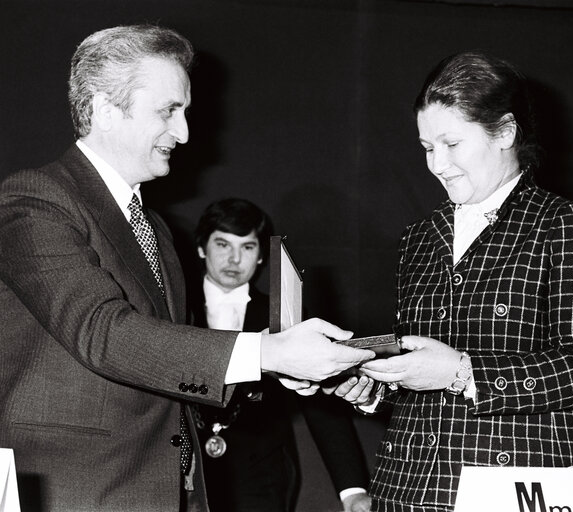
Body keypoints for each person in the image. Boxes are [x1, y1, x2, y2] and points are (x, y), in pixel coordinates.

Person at [0, 25, 373, 512]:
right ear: (104, 109)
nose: (185, 133)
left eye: (185, 112)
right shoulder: (34, 201)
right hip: (77, 490)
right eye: (168, 111)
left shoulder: (153, 227)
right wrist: (269, 352)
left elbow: (171, 361)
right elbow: (102, 333)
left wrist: (285, 368)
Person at [334, 51, 573, 511]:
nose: (437, 164)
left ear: (505, 132)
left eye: (451, 144)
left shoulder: (567, 223)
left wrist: (463, 372)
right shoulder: (419, 237)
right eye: (427, 148)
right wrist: (374, 387)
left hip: (516, 486)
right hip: (407, 488)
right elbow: (422, 380)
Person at [190, 198, 372, 512]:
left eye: (247, 247)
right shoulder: (172, 307)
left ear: (261, 256)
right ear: (202, 248)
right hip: (185, 472)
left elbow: (321, 405)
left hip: (263, 477)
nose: (234, 259)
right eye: (223, 244)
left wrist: (352, 491)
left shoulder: (285, 318)